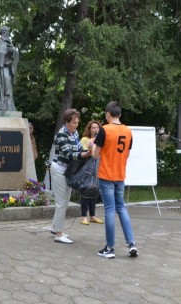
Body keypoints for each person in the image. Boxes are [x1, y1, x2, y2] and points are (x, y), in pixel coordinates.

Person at [92, 102, 138, 259]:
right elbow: (127, 154)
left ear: (107, 114)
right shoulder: (128, 131)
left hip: (106, 175)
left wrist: (93, 145)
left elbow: (94, 154)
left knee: (109, 210)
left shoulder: (105, 129)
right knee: (121, 208)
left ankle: (110, 248)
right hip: (120, 175)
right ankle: (131, 244)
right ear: (120, 114)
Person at [50, 109, 91, 244]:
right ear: (67, 121)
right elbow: (69, 154)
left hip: (68, 170)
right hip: (59, 169)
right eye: (74, 123)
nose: (76, 125)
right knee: (62, 202)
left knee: (64, 200)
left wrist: (88, 150)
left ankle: (55, 227)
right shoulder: (61, 134)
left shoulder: (75, 133)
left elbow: (79, 149)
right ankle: (58, 234)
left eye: (77, 123)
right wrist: (85, 154)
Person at [79, 120, 103, 225]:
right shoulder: (85, 139)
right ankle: (84, 217)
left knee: (94, 191)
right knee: (86, 191)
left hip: (97, 168)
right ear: (89, 129)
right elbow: (82, 152)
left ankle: (92, 216)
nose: (95, 129)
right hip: (87, 168)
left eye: (97, 128)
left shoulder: (101, 140)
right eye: (93, 128)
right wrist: (91, 144)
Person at [0, 26, 19, 111]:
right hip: (1, 68)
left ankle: (9, 105)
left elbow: (15, 55)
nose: (8, 33)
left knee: (8, 87)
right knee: (1, 86)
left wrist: (14, 52)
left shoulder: (10, 42)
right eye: (6, 31)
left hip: (9, 68)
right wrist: (5, 52)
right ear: (2, 32)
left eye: (8, 31)